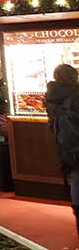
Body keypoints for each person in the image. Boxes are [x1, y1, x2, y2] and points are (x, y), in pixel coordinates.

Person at [45, 63, 79, 235]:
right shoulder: (76, 93)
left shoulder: (51, 96)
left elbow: (52, 124)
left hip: (67, 147)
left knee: (76, 178)